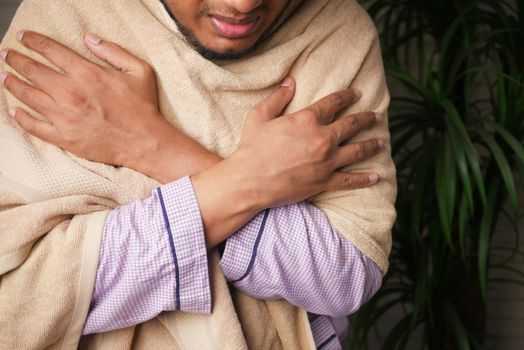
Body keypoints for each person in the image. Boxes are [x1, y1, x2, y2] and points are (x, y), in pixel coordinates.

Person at [0, 0, 396, 349]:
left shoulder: (336, 32)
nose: (242, 5)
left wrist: (151, 144)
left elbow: (343, 278)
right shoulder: (67, 15)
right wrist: (255, 181)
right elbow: (16, 303)